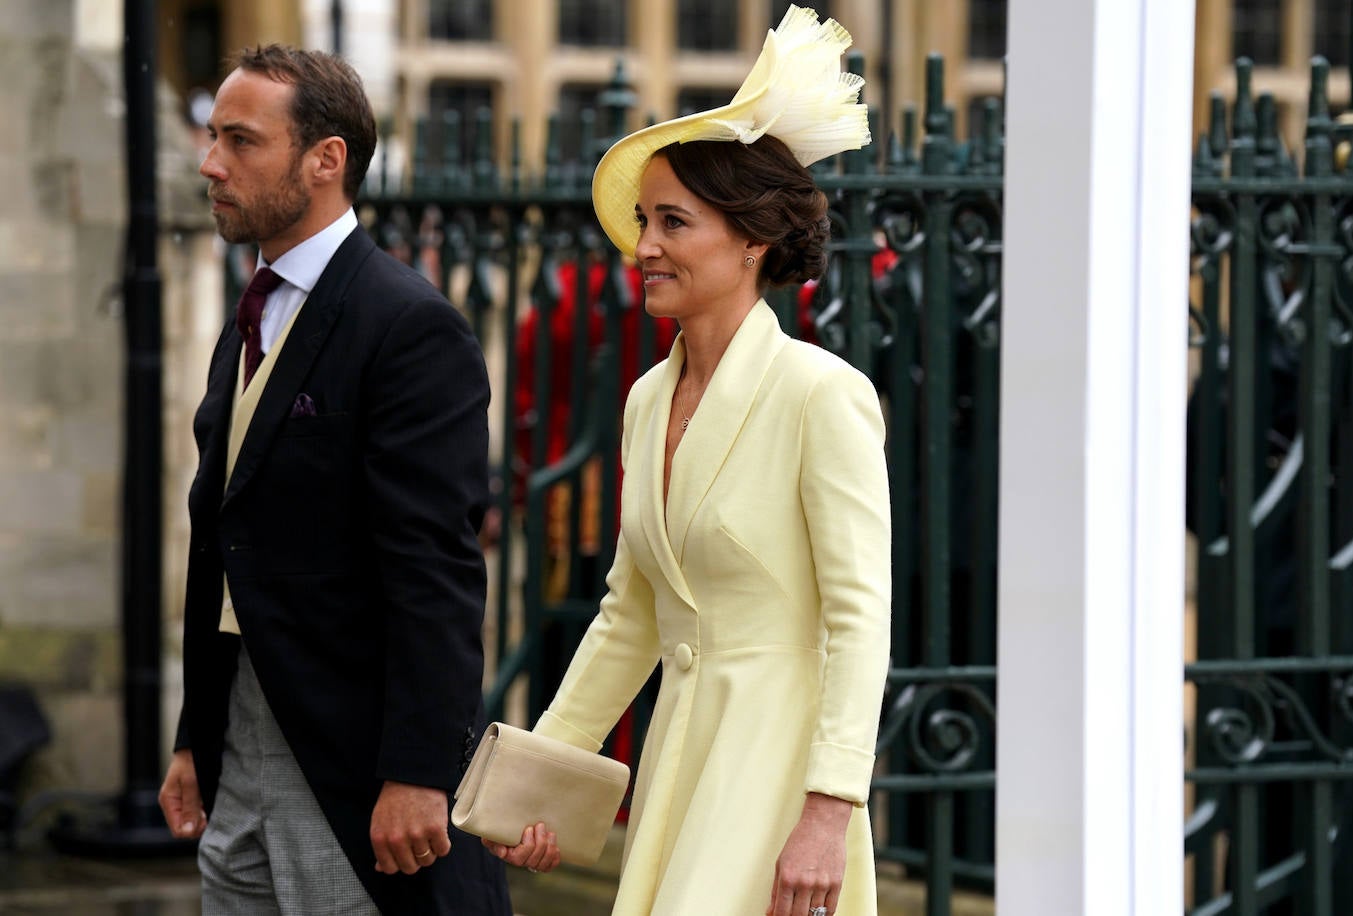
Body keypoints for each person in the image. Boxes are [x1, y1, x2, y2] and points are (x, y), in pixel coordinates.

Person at [483, 8, 891, 916]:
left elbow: (860, 620)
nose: (646, 247)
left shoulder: (822, 393)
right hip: (681, 760)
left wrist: (830, 809)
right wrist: (542, 778)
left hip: (779, 776)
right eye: (644, 220)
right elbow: (631, 612)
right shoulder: (645, 399)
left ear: (751, 241)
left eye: (674, 221)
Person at [155, 45, 510, 915]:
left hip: (352, 755)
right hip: (240, 738)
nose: (211, 163)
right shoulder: (254, 311)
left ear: (326, 159)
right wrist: (197, 737)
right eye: (213, 137)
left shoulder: (410, 325)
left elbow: (435, 567)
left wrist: (419, 771)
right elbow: (225, 537)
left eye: (241, 140)